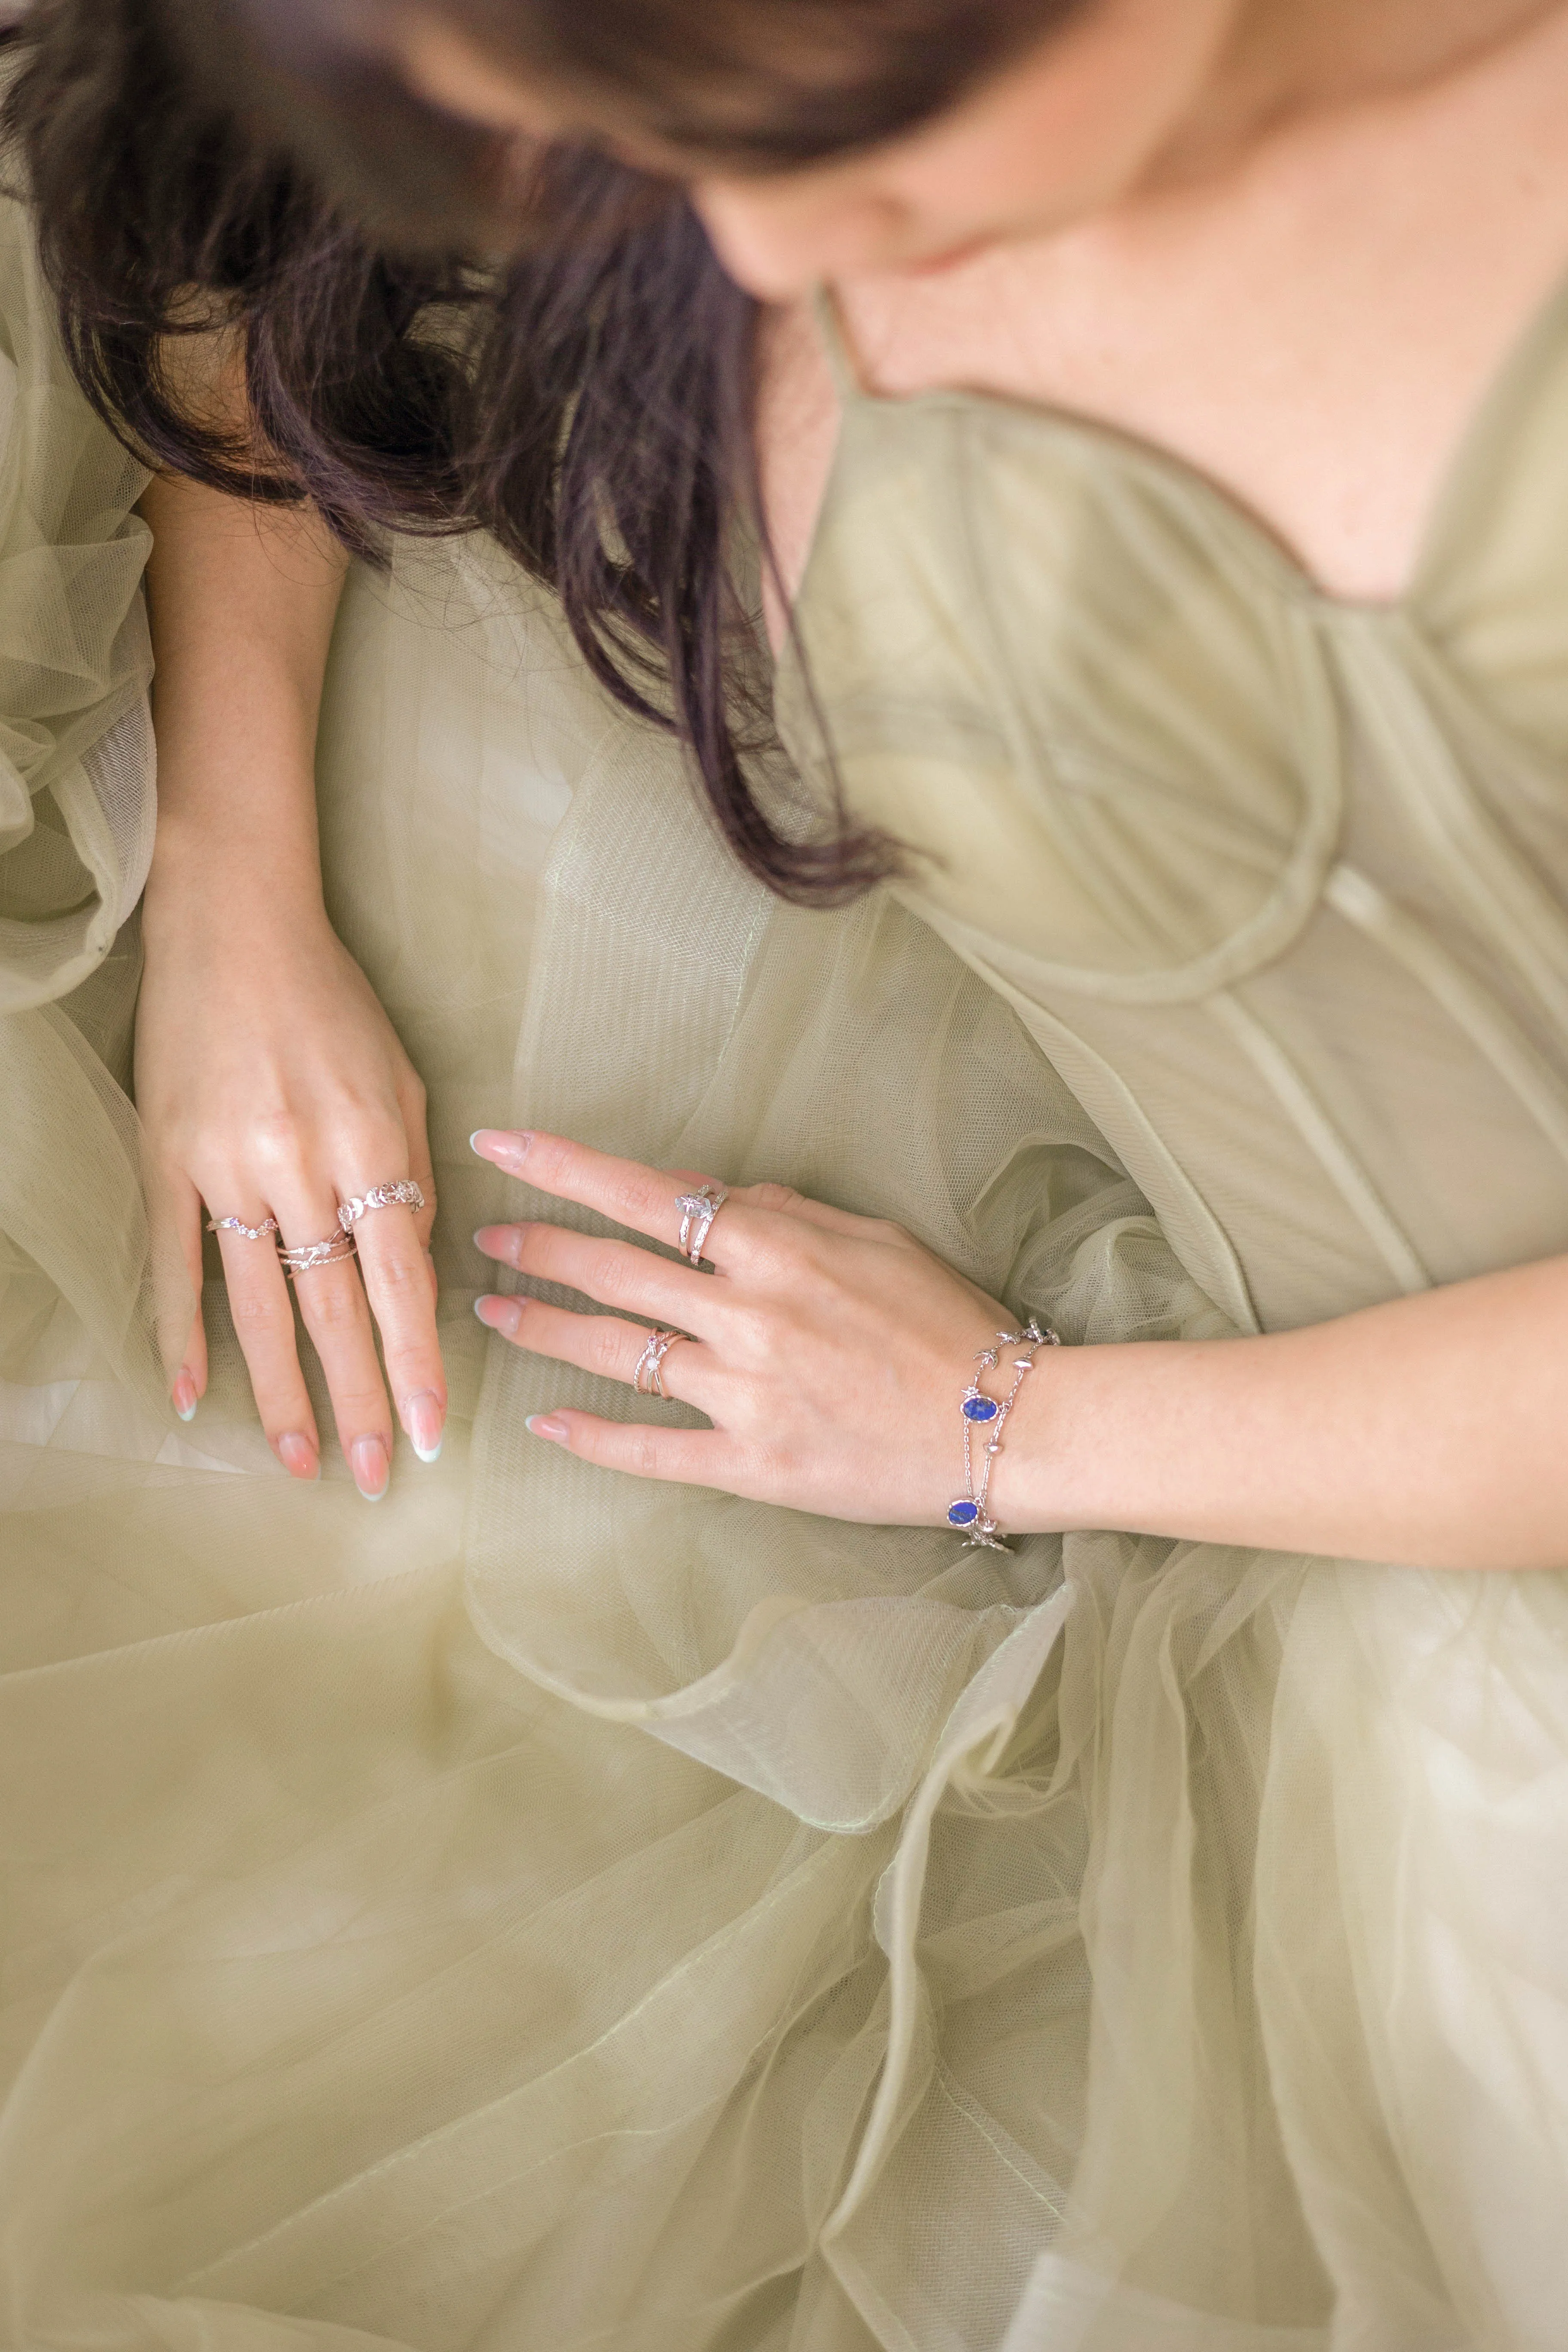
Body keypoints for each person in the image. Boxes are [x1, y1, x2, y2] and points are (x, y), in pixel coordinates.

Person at [3, 0, 1567, 2343]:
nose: (742, 242)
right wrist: (236, 860)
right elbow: (273, 211)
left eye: (835, 137)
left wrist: (1005, 1428)